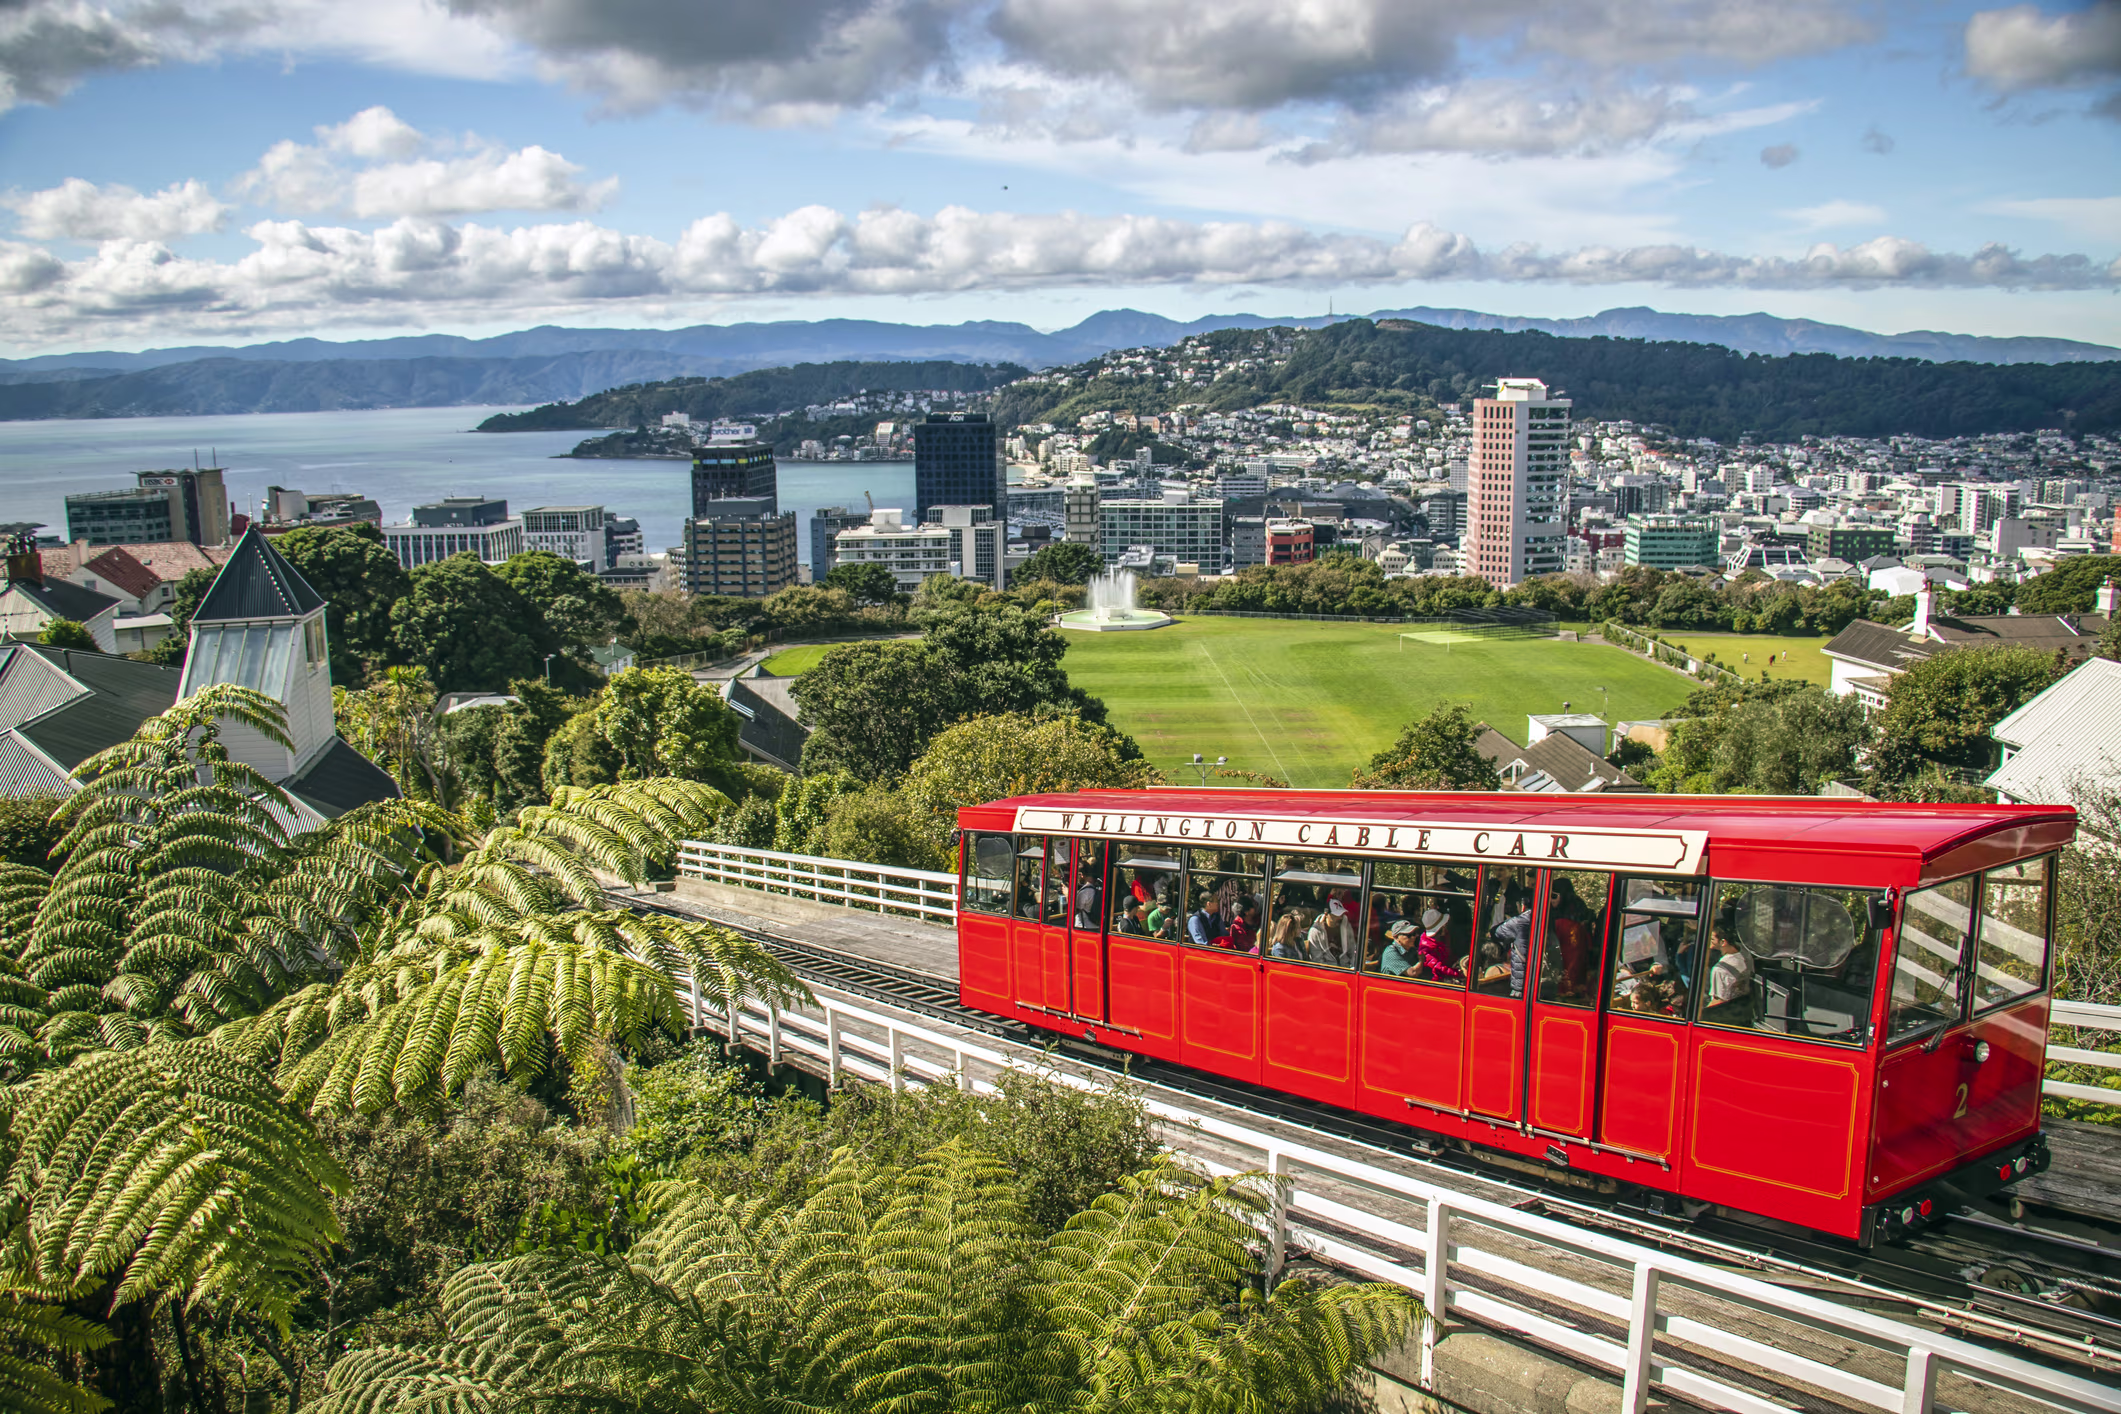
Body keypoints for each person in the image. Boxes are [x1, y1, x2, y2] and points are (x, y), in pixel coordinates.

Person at [1701, 926, 1755, 1024]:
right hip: (1744, 1007)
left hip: (1726, 1015)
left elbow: (1718, 1001)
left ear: (1723, 942)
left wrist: (1699, 1017)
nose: (1708, 940)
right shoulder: (1744, 952)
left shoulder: (1719, 970)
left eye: (1712, 939)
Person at [1494, 890, 1536, 997]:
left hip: (1521, 982)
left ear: (1522, 905)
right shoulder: (1545, 917)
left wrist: (1509, 921)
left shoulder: (1519, 921)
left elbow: (1497, 932)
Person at [1417, 909, 1464, 983]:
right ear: (1439, 929)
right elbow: (1439, 968)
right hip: (1436, 982)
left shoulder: (1442, 938)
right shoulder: (1426, 949)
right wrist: (1459, 973)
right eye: (1444, 925)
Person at [1308, 897, 1354, 966]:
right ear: (1326, 914)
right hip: (1328, 971)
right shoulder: (1315, 931)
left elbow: (1353, 951)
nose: (1339, 918)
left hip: (1346, 968)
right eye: (1336, 916)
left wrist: (1353, 967)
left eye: (1341, 915)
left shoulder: (1346, 926)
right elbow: (1317, 960)